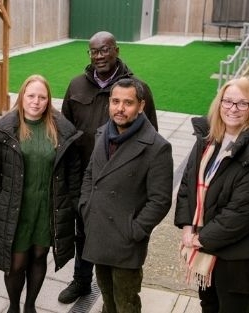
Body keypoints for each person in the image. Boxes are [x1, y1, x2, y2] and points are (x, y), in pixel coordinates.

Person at [59, 30, 159, 304]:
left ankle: (116, 293)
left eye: (105, 49)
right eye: (94, 51)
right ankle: (81, 281)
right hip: (85, 178)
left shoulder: (137, 88)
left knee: (117, 240)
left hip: (121, 182)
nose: (99, 55)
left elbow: (151, 140)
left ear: (116, 49)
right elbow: (64, 132)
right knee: (84, 234)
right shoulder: (76, 85)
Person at [0, 74, 82, 313]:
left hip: (47, 209)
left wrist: (70, 203)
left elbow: (73, 170)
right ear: (22, 97)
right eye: (31, 96)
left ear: (48, 100)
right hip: (16, 210)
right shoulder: (6, 128)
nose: (36, 101)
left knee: (38, 257)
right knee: (16, 264)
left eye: (42, 97)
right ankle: (14, 306)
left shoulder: (61, 129)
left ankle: (30, 306)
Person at [80, 78, 173, 313]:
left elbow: (160, 200)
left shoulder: (156, 147)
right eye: (115, 101)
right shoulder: (102, 133)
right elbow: (90, 174)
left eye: (128, 103)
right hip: (99, 232)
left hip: (126, 241)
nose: (120, 108)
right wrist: (86, 207)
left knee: (126, 304)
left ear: (141, 106)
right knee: (107, 299)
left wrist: (135, 230)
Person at [175, 77, 249, 313]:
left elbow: (243, 212)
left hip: (237, 258)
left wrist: (200, 239)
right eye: (228, 101)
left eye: (242, 104)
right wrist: (186, 225)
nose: (233, 109)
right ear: (219, 103)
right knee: (209, 304)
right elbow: (187, 183)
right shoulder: (208, 137)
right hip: (205, 247)